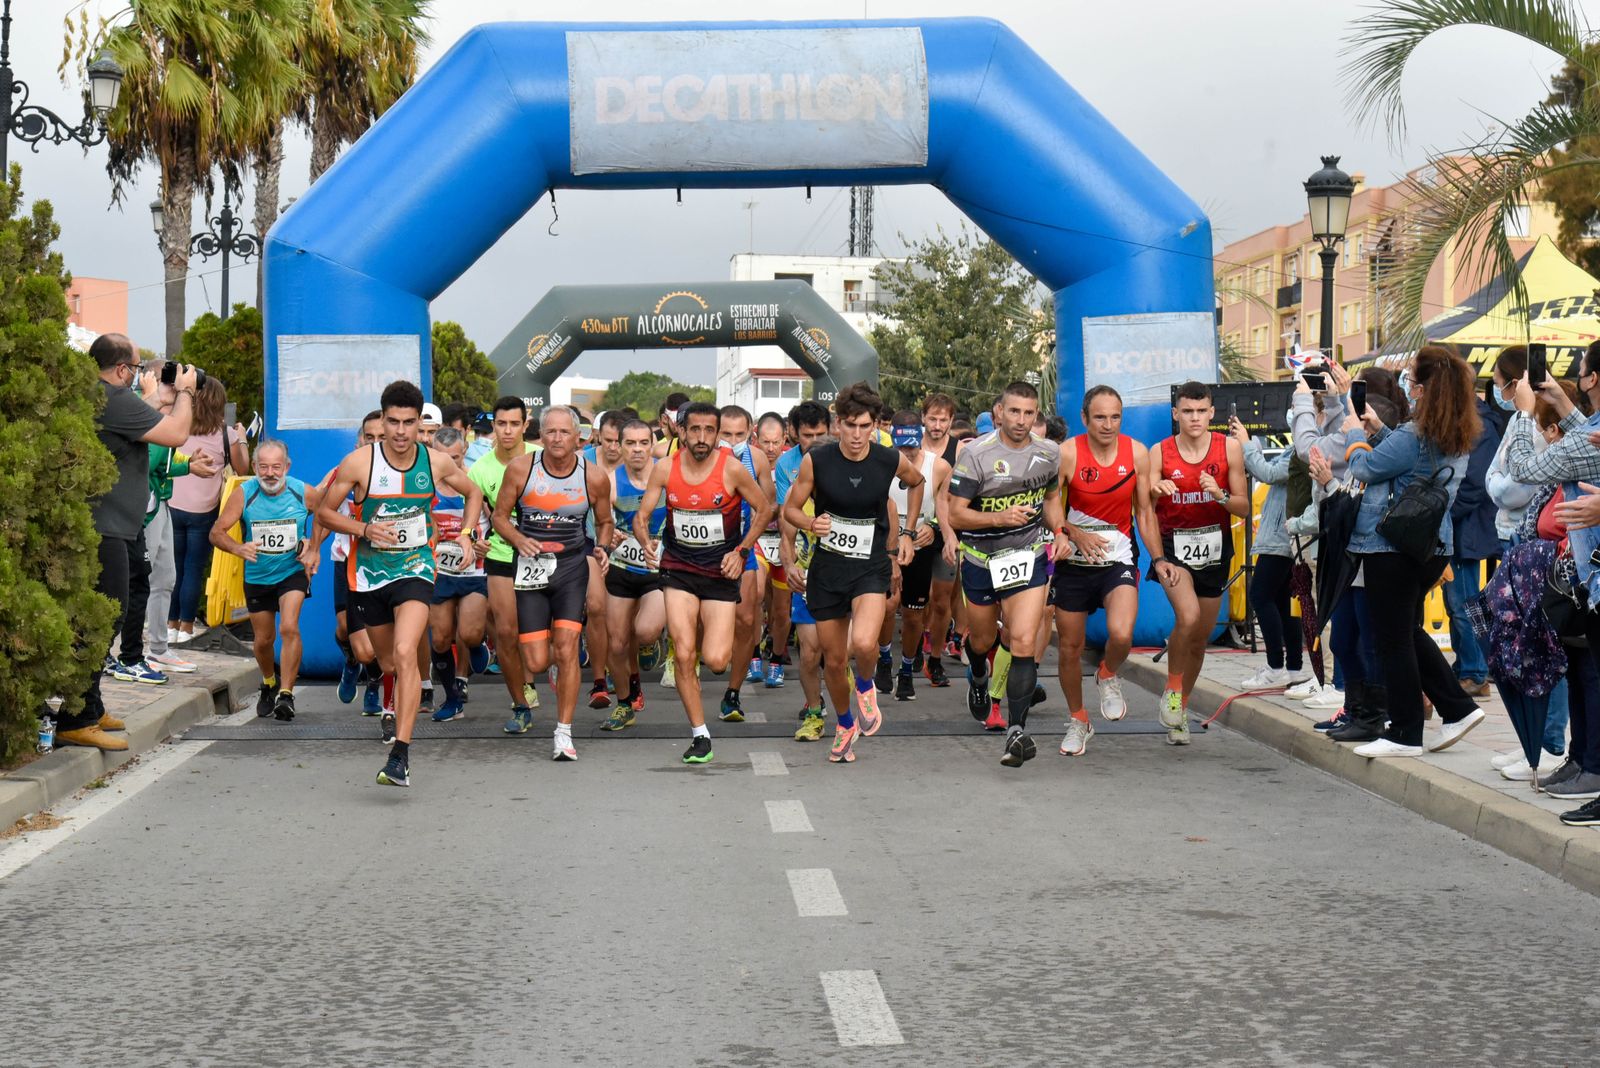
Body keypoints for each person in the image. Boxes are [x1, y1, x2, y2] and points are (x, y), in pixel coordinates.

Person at [316, 380, 484, 789]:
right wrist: (364, 529)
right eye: (393, 422)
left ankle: (400, 755)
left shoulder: (435, 462)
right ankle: (384, 686)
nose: (401, 431)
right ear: (384, 419)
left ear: (418, 422)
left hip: (415, 568)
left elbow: (474, 492)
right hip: (369, 574)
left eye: (409, 423)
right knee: (389, 661)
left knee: (408, 651)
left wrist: (465, 534)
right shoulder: (359, 463)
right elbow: (324, 512)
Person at [1342, 346, 1482, 758]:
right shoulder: (1455, 433)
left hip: (1392, 547)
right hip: (1431, 546)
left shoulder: (1414, 434)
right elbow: (1410, 464)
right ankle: (1458, 708)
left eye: (1411, 381)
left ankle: (1405, 733)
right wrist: (1379, 431)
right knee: (1405, 631)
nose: (1407, 386)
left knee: (1393, 640)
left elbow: (1365, 469)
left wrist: (1354, 433)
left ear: (1421, 390)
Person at [65, 336, 199, 750]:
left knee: (108, 614)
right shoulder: (114, 398)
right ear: (122, 370)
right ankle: (76, 717)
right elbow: (177, 434)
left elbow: (141, 425)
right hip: (107, 527)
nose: (141, 375)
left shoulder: (103, 397)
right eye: (138, 368)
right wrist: (186, 392)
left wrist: (158, 398)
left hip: (115, 524)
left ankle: (90, 705)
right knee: (105, 617)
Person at [783, 384, 923, 763]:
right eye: (850, 425)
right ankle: (845, 724)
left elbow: (917, 482)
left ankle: (865, 686)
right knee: (832, 660)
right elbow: (789, 510)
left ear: (875, 425)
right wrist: (811, 523)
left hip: (870, 567)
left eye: (865, 426)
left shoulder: (888, 458)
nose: (857, 435)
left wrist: (908, 533)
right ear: (838, 425)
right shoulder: (817, 461)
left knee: (862, 643)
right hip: (828, 569)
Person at [634, 402, 772, 764]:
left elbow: (764, 509)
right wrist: (646, 540)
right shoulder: (666, 468)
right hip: (678, 567)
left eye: (710, 430)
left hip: (720, 570)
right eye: (694, 429)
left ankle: (699, 646)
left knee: (715, 659)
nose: (702, 437)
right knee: (683, 653)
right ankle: (700, 735)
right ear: (681, 431)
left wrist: (741, 551)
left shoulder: (732, 469)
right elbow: (642, 515)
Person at [947, 381, 1069, 768]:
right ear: (999, 412)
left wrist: (1059, 532)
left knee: (1022, 640)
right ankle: (978, 675)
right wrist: (999, 518)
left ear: (1036, 415)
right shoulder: (976, 455)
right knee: (983, 640)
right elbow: (955, 514)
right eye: (1014, 411)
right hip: (982, 560)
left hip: (1027, 555)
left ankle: (1016, 731)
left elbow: (1051, 498)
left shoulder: (1048, 453)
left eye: (1029, 413)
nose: (1021, 420)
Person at [491, 406, 613, 759]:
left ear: (578, 438)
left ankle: (564, 733)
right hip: (531, 569)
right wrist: (518, 539)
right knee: (537, 661)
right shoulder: (521, 469)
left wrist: (603, 547)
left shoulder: (593, 477)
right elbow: (499, 518)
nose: (557, 438)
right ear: (541, 436)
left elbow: (604, 521)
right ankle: (558, 666)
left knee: (567, 647)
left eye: (564, 432)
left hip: (571, 569)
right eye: (551, 432)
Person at [1052, 386, 1160, 757]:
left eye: (1115, 417)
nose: (1108, 425)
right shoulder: (1067, 453)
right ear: (1085, 418)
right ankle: (1078, 720)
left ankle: (1108, 673)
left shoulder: (1137, 453)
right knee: (1069, 648)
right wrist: (1072, 532)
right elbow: (1051, 508)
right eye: (1100, 417)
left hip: (1118, 559)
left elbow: (1144, 511)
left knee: (1122, 633)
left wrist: (1159, 559)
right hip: (1074, 564)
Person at [1147, 381, 1249, 744]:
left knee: (1199, 638)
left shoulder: (1229, 448)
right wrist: (1156, 490)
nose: (1194, 418)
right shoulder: (1160, 452)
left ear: (1211, 413)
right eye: (1187, 411)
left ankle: (1180, 709)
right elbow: (1144, 505)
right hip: (1175, 548)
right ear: (1176, 414)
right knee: (1187, 617)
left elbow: (1243, 507)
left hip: (1214, 550)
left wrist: (1219, 495)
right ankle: (1173, 690)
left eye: (1201, 411)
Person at [210, 440, 322, 719]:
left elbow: (326, 517)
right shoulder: (244, 493)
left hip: (291, 572)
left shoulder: (302, 491)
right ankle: (269, 682)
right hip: (258, 575)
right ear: (254, 467)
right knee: (263, 640)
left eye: (276, 467)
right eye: (264, 467)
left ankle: (286, 694)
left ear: (287, 467)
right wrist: (238, 548)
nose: (270, 473)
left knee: (289, 627)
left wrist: (312, 545)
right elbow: (216, 532)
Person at [469, 397, 539, 724]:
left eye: (514, 424)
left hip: (542, 557)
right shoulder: (480, 469)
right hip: (500, 554)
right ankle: (520, 704)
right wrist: (474, 540)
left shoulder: (542, 458)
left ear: (525, 425)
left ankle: (544, 668)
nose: (507, 431)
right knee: (507, 633)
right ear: (493, 426)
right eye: (501, 424)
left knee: (543, 639)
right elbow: (473, 518)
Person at [1442, 358, 1508, 699]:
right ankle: (1468, 666)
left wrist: (1444, 514)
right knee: (1460, 602)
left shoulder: (1479, 424)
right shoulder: (1466, 419)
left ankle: (1475, 670)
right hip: (1460, 525)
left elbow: (1474, 483)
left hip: (1465, 527)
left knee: (1465, 603)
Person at [167, 376, 248, 646]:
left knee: (174, 568)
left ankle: (170, 625)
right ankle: (186, 627)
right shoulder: (226, 434)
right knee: (193, 568)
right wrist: (243, 439)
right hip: (203, 511)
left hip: (173, 506)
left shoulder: (178, 426)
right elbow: (242, 468)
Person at [600, 418, 668, 730]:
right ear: (619, 446)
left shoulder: (667, 475)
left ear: (653, 445)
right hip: (622, 567)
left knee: (645, 630)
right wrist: (609, 536)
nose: (637, 449)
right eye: (630, 443)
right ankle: (625, 704)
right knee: (616, 645)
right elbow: (600, 523)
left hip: (659, 569)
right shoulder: (610, 482)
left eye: (643, 443)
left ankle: (650, 644)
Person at [1232, 413, 1307, 691]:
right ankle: (1294, 668)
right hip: (1286, 535)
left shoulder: (1303, 448)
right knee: (1283, 602)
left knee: (1260, 596)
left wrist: (1246, 444)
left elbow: (1268, 474)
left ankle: (1276, 666)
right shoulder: (1300, 447)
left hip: (1281, 537)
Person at [776, 402, 834, 742]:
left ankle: (851, 689)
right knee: (810, 652)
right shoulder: (792, 484)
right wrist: (790, 566)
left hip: (849, 578)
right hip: (810, 576)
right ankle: (813, 713)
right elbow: (787, 532)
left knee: (842, 651)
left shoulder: (854, 478)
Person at [717, 404, 777, 724]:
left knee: (746, 618)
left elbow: (770, 503)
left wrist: (755, 516)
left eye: (739, 434)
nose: (732, 441)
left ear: (750, 432)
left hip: (742, 547)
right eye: (726, 434)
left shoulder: (756, 459)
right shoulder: (701, 457)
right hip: (702, 553)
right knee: (711, 646)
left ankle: (733, 693)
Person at [426, 427, 491, 723]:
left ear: (464, 452)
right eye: (441, 457)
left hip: (473, 570)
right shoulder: (426, 486)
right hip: (439, 570)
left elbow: (499, 521)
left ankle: (478, 644)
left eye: (454, 458)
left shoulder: (476, 482)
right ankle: (452, 699)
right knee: (440, 639)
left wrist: (487, 545)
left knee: (469, 633)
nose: (447, 464)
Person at [322, 411, 385, 712]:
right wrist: (312, 548)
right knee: (343, 628)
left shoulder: (399, 474)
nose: (374, 443)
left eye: (380, 437)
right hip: (346, 559)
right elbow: (323, 511)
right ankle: (350, 662)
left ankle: (373, 683)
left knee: (372, 645)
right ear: (359, 440)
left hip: (382, 563)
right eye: (369, 437)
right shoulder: (345, 470)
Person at [885, 411, 949, 703]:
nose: (907, 453)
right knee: (888, 606)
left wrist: (933, 527)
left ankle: (907, 670)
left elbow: (950, 508)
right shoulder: (881, 461)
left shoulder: (939, 467)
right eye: (901, 447)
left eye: (912, 446)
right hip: (886, 546)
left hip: (919, 548)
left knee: (913, 616)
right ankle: (884, 657)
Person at [918, 393, 961, 688]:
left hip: (946, 531)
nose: (936, 425)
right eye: (932, 419)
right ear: (923, 417)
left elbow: (959, 496)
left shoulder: (959, 451)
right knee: (916, 601)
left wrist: (946, 531)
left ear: (951, 421)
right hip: (915, 532)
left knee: (942, 601)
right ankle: (914, 647)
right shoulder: (912, 447)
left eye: (943, 420)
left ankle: (935, 659)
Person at [750, 411, 792, 687]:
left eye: (776, 442)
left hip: (785, 541)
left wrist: (774, 509)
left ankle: (776, 660)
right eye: (765, 442)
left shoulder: (792, 463)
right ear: (756, 438)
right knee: (755, 595)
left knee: (781, 609)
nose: (771, 448)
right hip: (758, 538)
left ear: (785, 439)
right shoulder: (748, 462)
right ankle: (753, 655)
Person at [651, 390, 692, 458]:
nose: (680, 427)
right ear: (665, 418)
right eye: (675, 421)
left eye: (684, 421)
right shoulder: (654, 441)